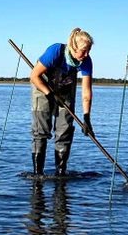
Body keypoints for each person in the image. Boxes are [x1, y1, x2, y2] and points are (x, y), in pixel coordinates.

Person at [29, 28, 94, 177]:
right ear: (74, 46)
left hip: (65, 88)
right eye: (83, 51)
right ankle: (38, 174)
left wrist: (86, 118)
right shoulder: (56, 51)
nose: (86, 55)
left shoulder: (86, 61)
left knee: (65, 130)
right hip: (42, 86)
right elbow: (34, 76)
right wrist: (49, 94)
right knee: (41, 130)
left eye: (88, 51)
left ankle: (60, 173)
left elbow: (86, 91)